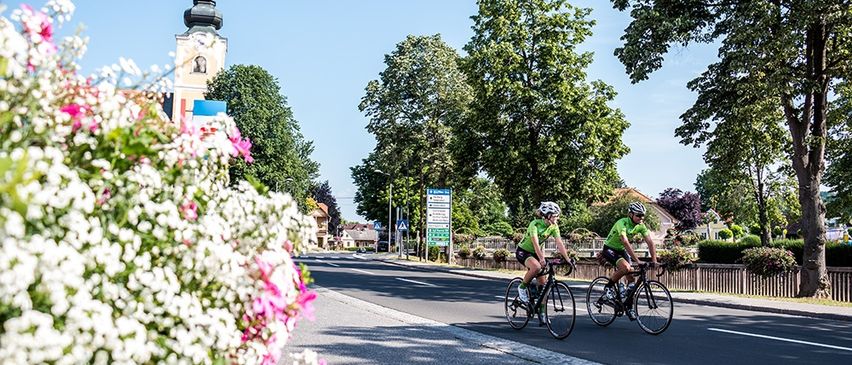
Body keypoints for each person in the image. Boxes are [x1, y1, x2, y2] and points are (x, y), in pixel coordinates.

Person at [599, 201, 658, 320]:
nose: (641, 218)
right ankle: (608, 288)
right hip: (610, 249)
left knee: (631, 280)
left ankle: (628, 306)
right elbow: (625, 242)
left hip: (621, 250)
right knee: (626, 268)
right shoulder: (622, 223)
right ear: (630, 214)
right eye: (638, 215)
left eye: (643, 215)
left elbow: (650, 242)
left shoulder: (641, 225)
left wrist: (654, 260)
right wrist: (638, 261)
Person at [515, 202, 572, 319]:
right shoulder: (534, 224)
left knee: (544, 285)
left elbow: (559, 243)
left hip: (536, 253)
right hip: (524, 251)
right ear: (548, 215)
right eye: (556, 215)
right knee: (536, 267)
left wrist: (568, 259)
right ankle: (522, 287)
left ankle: (541, 312)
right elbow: (535, 243)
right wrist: (541, 258)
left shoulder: (554, 227)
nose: (558, 218)